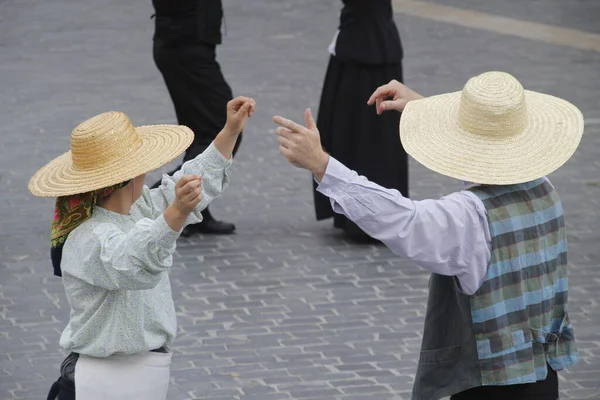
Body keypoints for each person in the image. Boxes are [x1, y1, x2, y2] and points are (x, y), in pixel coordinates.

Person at [273, 71, 582, 400]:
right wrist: (424, 110)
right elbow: (489, 147)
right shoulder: (545, 189)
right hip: (544, 379)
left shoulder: (468, 216)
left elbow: (401, 220)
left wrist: (323, 165)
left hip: (489, 386)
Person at [32, 97, 255, 399]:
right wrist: (175, 213)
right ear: (132, 174)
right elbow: (133, 263)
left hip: (141, 374)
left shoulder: (139, 207)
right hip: (101, 382)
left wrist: (230, 131)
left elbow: (190, 181)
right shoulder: (86, 237)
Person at [314, 0, 408, 240]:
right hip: (363, 41)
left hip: (367, 42)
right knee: (359, 131)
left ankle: (370, 213)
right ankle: (361, 212)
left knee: (366, 133)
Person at [151, 0, 240, 236]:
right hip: (183, 46)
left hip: (188, 44)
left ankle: (192, 208)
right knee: (223, 127)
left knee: (202, 133)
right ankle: (162, 204)